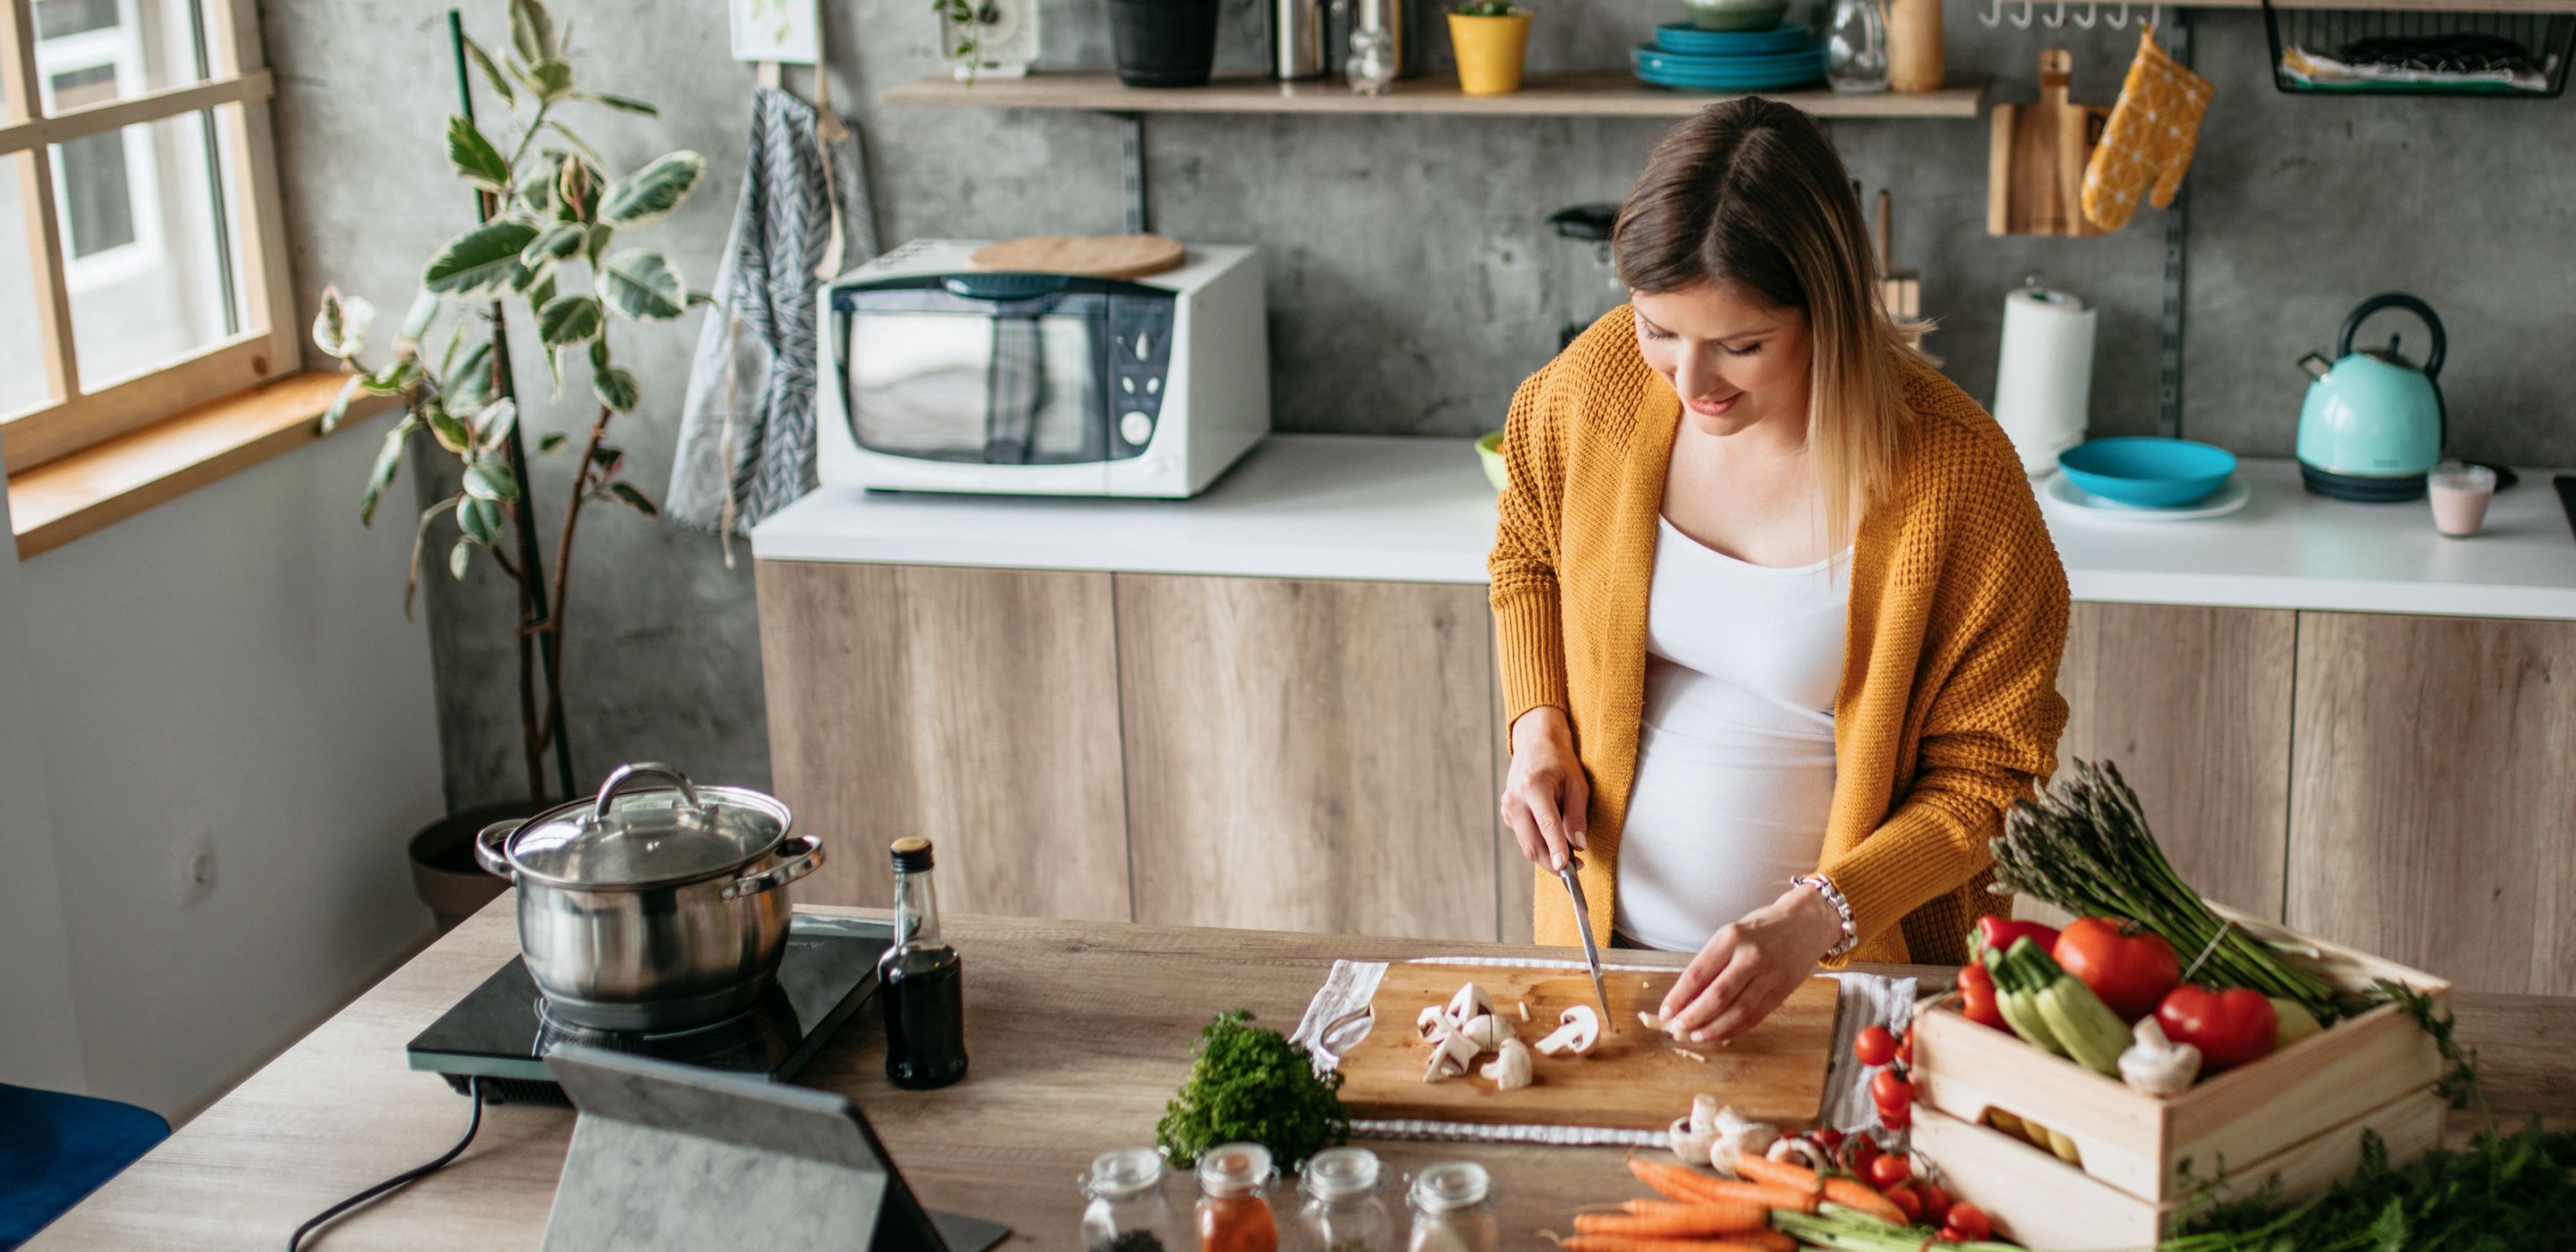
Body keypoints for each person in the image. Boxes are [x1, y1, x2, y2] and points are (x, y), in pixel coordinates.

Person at [1487, 97, 2070, 1044]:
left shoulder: (1957, 476)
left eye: (1742, 345)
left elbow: (1988, 780)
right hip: (1605, 961)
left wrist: (1818, 917)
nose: (1690, 382)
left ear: (1827, 307)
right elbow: (1527, 551)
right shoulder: (1599, 381)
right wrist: (1537, 728)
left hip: (1856, 989)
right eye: (1660, 329)